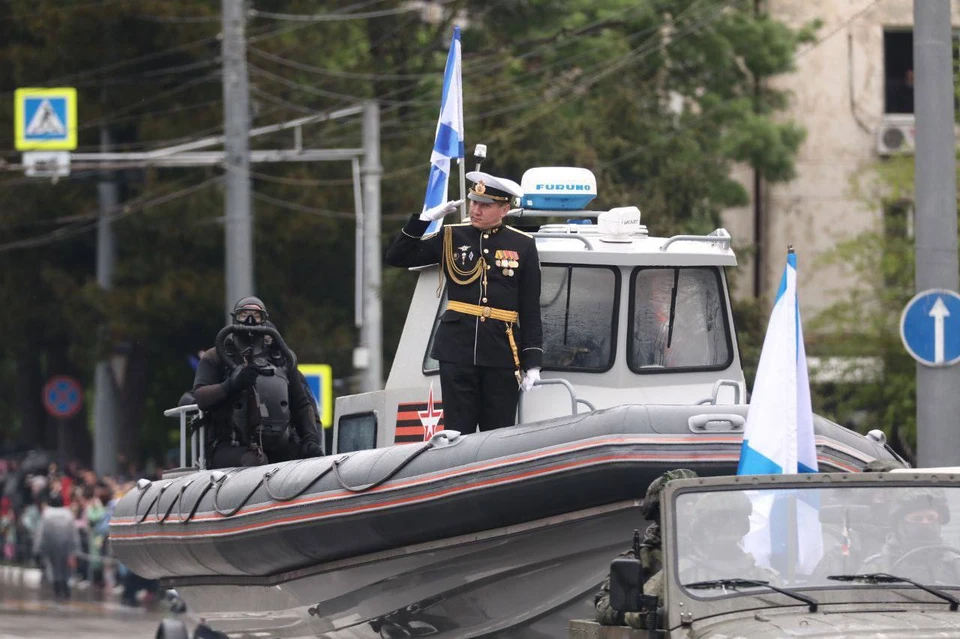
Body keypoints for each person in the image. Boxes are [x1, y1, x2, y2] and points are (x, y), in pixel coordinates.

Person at [385, 171, 543, 433]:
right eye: (474, 202)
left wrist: (533, 361)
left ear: (504, 208)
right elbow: (397, 256)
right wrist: (424, 220)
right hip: (457, 349)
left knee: (498, 433)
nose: (476, 209)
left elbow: (529, 306)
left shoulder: (523, 245)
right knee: (458, 432)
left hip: (501, 351)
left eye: (485, 204)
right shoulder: (451, 236)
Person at [192, 296, 323, 468]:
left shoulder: (282, 359)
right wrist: (231, 385)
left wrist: (310, 440)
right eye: (244, 314)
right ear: (235, 317)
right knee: (255, 462)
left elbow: (302, 404)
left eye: (256, 315)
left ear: (265, 319)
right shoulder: (216, 356)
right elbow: (201, 397)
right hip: (230, 445)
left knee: (309, 464)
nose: (250, 320)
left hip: (279, 443)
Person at [595, 469, 698, 629]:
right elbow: (604, 606)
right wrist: (640, 615)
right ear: (659, 511)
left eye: (695, 500)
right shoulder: (639, 558)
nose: (691, 507)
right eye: (682, 501)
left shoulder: (718, 554)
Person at [858, 487, 960, 583]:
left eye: (931, 518)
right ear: (900, 524)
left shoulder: (955, 564)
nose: (925, 523)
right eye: (917, 518)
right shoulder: (876, 567)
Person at [33, 492, 80, 601]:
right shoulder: (68, 514)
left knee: (53, 568)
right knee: (65, 568)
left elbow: (40, 533)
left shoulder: (46, 514)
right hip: (65, 544)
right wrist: (76, 548)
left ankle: (57, 589)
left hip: (51, 544)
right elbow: (73, 533)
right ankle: (65, 588)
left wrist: (37, 548)